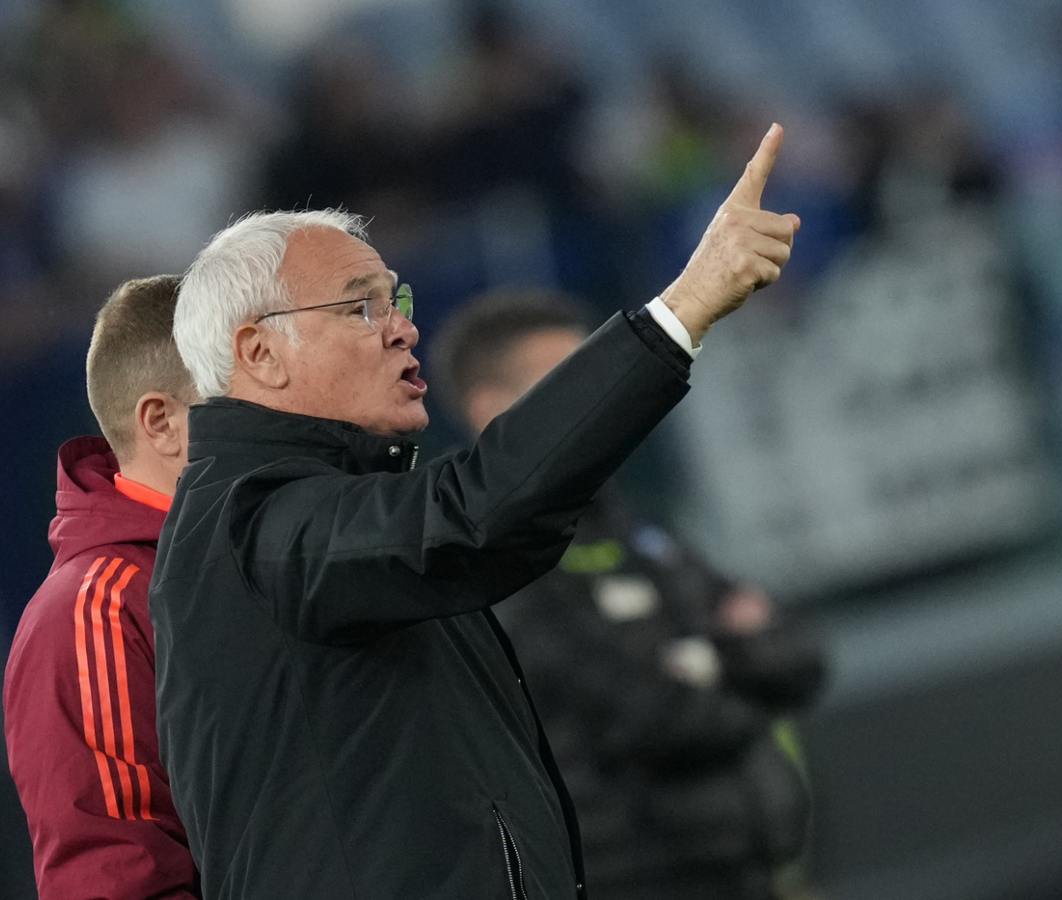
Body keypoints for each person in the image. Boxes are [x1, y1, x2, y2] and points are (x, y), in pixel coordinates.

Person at [153, 123, 800, 899]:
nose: (403, 327)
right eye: (360, 308)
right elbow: (471, 519)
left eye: (395, 300)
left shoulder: (325, 510)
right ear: (260, 353)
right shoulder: (252, 522)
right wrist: (684, 307)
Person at [432, 288, 824, 899]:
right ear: (491, 409)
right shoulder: (492, 566)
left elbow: (798, 656)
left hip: (755, 873)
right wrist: (741, 673)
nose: (601, 399)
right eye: (570, 381)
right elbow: (654, 716)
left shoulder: (633, 524)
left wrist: (708, 668)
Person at [4, 275, 200, 898]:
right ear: (161, 422)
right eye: (242, 403)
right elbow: (117, 878)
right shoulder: (97, 608)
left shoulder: (261, 560)